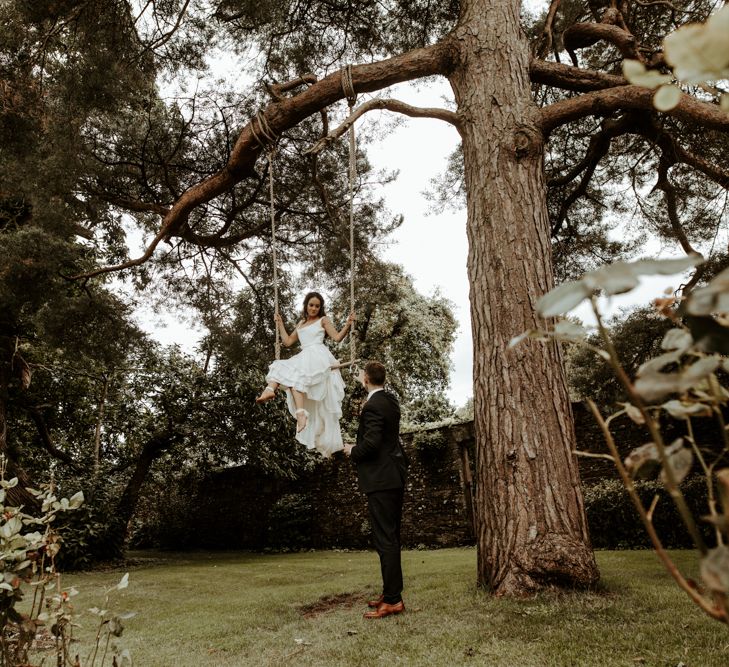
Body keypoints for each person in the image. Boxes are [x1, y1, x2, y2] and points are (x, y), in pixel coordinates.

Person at [344, 361, 408, 619]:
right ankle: (390, 591)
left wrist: (352, 450)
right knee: (390, 536)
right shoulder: (390, 400)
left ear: (366, 380)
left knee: (385, 539)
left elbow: (370, 444)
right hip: (394, 474)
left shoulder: (372, 406)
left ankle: (393, 600)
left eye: (361, 375)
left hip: (382, 479)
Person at [255, 292, 355, 457]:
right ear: (306, 306)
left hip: (317, 356)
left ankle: (297, 410)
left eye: (317, 306)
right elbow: (287, 342)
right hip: (304, 356)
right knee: (280, 365)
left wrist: (348, 324)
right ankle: (273, 392)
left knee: (297, 377)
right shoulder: (301, 323)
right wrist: (279, 323)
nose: (314, 308)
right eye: (311, 305)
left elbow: (337, 338)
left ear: (320, 307)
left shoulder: (323, 320)